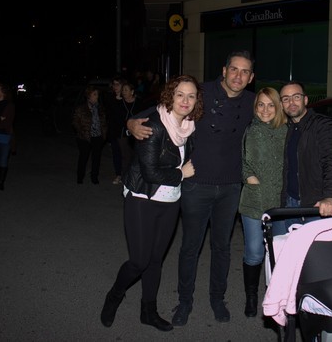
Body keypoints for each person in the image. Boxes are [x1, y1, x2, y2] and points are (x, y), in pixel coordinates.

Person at [127, 51, 256, 325]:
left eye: (245, 72)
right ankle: (184, 301)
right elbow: (161, 108)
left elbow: (276, 122)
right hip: (195, 184)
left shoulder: (252, 102)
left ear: (251, 77)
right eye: (234, 69)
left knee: (222, 247)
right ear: (224, 70)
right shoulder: (202, 92)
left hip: (231, 186)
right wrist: (130, 123)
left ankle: (217, 299)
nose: (238, 76)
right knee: (190, 247)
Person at [100, 74, 204, 331]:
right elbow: (150, 172)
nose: (185, 100)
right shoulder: (155, 125)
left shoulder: (190, 126)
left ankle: (148, 310)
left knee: (155, 259)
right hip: (143, 197)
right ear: (170, 95)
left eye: (191, 96)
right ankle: (114, 295)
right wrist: (182, 173)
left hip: (171, 200)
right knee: (139, 260)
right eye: (180, 94)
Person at [238, 87, 287, 317]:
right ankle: (250, 297)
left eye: (270, 105)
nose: (265, 110)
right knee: (255, 253)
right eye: (261, 105)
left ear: (277, 108)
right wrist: (248, 175)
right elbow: (240, 161)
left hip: (279, 203)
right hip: (253, 200)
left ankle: (275, 295)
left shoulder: (286, 131)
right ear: (255, 107)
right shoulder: (250, 130)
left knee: (278, 252)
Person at [274, 81, 332, 235]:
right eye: (286, 99)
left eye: (296, 97)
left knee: (316, 255)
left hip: (316, 205)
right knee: (292, 253)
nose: (291, 102)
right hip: (289, 204)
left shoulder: (323, 125)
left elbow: (331, 161)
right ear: (281, 104)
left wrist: (330, 196)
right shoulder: (286, 129)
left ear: (305, 100)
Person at [104, 77, 141, 184]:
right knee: (121, 155)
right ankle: (121, 176)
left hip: (133, 134)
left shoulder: (137, 101)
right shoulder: (114, 100)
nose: (115, 87)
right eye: (114, 84)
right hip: (118, 132)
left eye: (118, 84)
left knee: (133, 156)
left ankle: (133, 177)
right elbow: (112, 116)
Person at [72, 85, 107, 184]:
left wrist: (104, 133)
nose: (97, 96)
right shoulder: (81, 108)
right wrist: (82, 132)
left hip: (97, 136)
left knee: (96, 158)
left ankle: (94, 177)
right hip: (85, 137)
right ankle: (80, 177)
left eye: (97, 94)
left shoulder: (100, 108)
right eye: (94, 94)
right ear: (89, 96)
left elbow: (104, 122)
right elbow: (75, 122)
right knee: (83, 157)